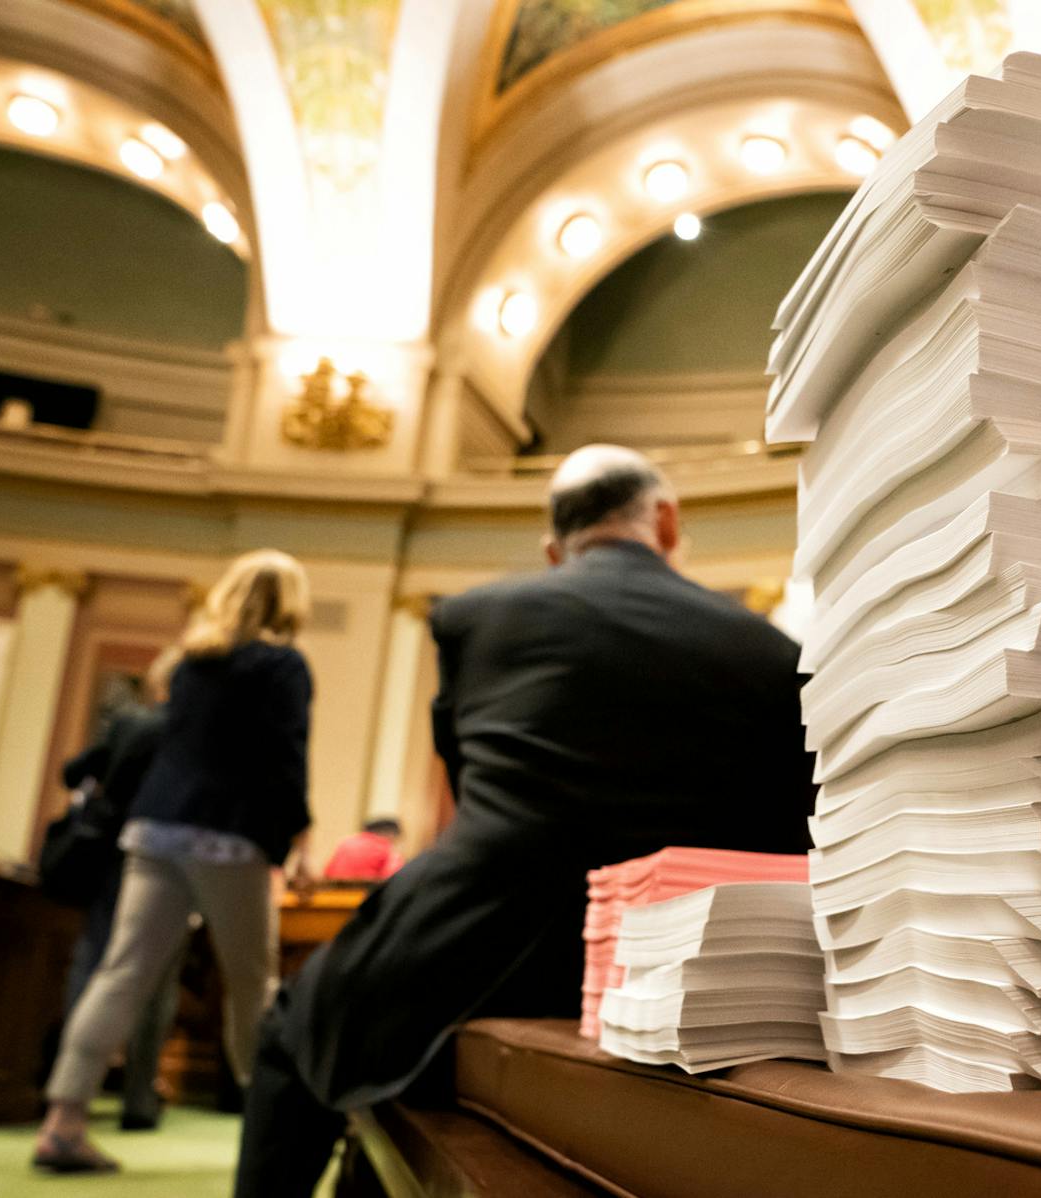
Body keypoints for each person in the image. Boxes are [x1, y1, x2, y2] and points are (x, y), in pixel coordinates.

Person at [235, 445, 816, 1198]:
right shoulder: (773, 653)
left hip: (473, 935)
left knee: (292, 1033)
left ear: (553, 549)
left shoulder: (477, 618)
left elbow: (470, 780)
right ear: (666, 523)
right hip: (669, 958)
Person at [36, 549, 316, 1174]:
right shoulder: (283, 667)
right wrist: (298, 839)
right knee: (252, 985)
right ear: (289, 602)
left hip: (156, 829)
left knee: (122, 973)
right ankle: (266, 1121)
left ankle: (63, 1121)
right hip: (230, 838)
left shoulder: (193, 664)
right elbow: (284, 760)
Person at [51, 646, 184, 1132]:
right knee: (156, 981)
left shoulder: (131, 724)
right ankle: (139, 1097)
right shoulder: (194, 733)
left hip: (109, 859)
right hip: (163, 861)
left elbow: (72, 772)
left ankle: (69, 1088)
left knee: (96, 970)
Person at [322, 818, 404, 882]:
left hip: (330, 895)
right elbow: (392, 878)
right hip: (364, 898)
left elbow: (328, 871)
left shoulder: (346, 843)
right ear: (391, 835)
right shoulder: (386, 850)